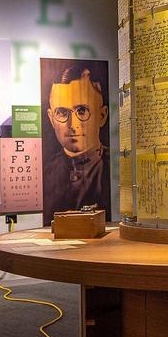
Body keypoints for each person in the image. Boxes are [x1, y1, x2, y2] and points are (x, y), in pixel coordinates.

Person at [42, 62, 111, 225]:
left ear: (102, 116)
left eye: (82, 111)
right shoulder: (46, 173)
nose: (72, 124)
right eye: (62, 112)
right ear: (52, 119)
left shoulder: (113, 170)